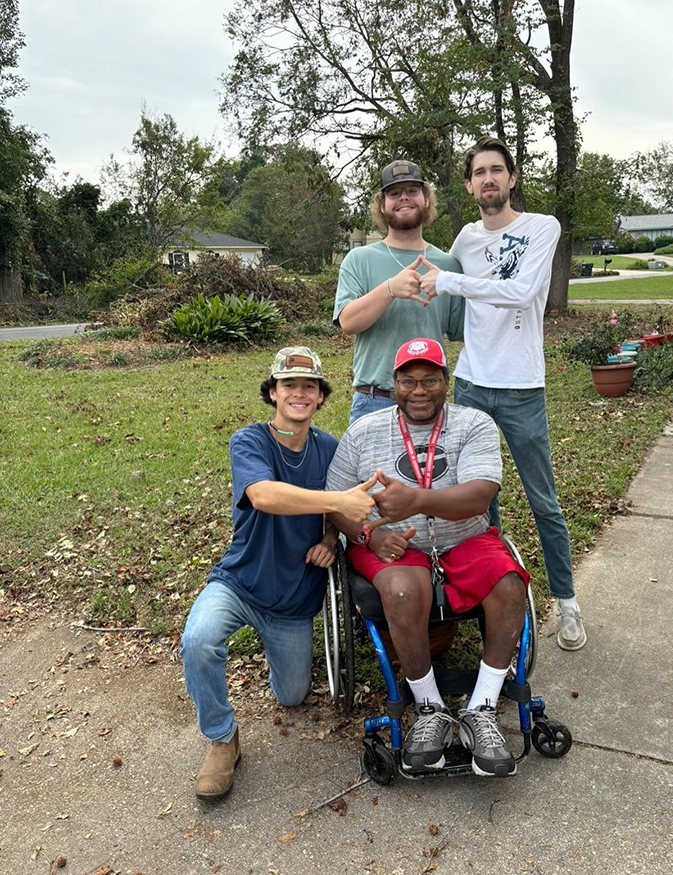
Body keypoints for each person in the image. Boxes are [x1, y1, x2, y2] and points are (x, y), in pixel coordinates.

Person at [180, 347, 379, 800]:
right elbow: (266, 495)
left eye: (309, 386)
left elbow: (343, 513)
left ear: (321, 396)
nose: (299, 393)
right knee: (198, 640)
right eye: (289, 385)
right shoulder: (248, 441)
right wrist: (335, 502)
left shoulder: (330, 448)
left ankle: (277, 652)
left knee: (291, 695)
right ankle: (221, 738)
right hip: (240, 582)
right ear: (273, 392)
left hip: (293, 598)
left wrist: (330, 540)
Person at [325, 338, 530, 777]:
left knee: (510, 586)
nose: (420, 391)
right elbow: (336, 501)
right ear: (394, 384)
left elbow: (480, 497)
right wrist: (368, 537)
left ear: (445, 382)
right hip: (392, 545)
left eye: (430, 381)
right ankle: (430, 708)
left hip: (464, 538)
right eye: (409, 381)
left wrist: (416, 499)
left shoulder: (474, 424)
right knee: (400, 591)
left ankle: (483, 707)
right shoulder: (363, 432)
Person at [418, 135, 586, 652]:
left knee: (544, 501)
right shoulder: (466, 239)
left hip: (520, 389)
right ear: (469, 186)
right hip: (470, 383)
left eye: (497, 170)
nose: (488, 179)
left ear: (512, 179)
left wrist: (451, 283)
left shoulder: (541, 228)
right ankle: (489, 595)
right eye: (479, 173)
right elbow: (428, 268)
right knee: (476, 503)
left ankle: (568, 604)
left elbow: (521, 293)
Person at [334, 159, 465, 423]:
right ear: (382, 205)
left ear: (426, 199)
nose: (404, 198)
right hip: (374, 401)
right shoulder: (358, 259)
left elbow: (463, 332)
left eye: (412, 191)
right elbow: (347, 322)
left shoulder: (448, 265)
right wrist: (390, 289)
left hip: (429, 402)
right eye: (394, 193)